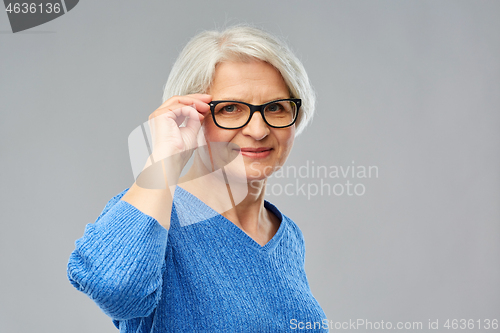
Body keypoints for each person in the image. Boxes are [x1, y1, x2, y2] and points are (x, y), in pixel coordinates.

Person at [67, 25, 328, 332]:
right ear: (191, 114)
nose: (258, 131)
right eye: (230, 108)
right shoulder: (156, 216)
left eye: (276, 108)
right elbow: (114, 290)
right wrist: (164, 157)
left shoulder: (287, 235)